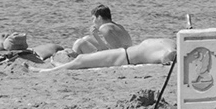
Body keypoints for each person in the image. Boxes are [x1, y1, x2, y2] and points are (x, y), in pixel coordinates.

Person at [35, 37, 177, 71]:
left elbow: (168, 58)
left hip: (124, 58)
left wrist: (170, 58)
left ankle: (44, 71)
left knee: (82, 60)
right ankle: (60, 66)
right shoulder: (170, 43)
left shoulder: (169, 50)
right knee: (81, 60)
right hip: (123, 54)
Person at [68, 5, 133, 56]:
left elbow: (115, 52)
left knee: (80, 42)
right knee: (87, 38)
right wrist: (96, 36)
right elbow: (114, 47)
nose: (92, 22)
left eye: (93, 19)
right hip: (126, 54)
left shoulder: (104, 28)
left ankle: (71, 61)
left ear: (99, 18)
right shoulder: (117, 26)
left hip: (119, 58)